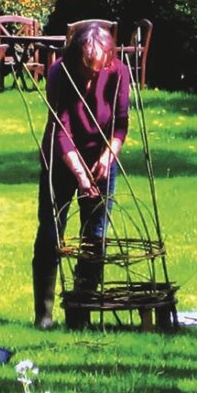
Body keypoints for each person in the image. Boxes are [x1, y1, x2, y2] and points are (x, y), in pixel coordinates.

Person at [32, 22, 130, 329]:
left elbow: (121, 123)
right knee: (51, 232)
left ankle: (81, 313)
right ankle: (44, 316)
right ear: (75, 58)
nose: (92, 76)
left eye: (98, 69)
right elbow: (59, 127)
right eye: (87, 69)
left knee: (95, 235)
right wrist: (79, 173)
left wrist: (106, 156)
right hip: (61, 159)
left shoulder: (118, 72)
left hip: (101, 159)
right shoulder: (59, 73)